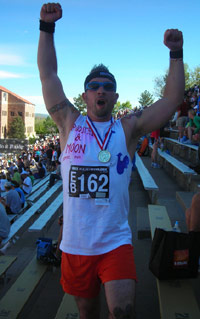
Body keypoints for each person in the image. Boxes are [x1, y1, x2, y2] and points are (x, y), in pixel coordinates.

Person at [38, 3, 184, 318]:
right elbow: (48, 74)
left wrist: (176, 54)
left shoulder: (128, 128)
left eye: (108, 87)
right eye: (94, 86)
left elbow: (172, 100)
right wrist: (46, 28)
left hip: (114, 242)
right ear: (85, 95)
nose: (100, 90)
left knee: (122, 310)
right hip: (75, 246)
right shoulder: (68, 123)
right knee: (87, 312)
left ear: (115, 97)